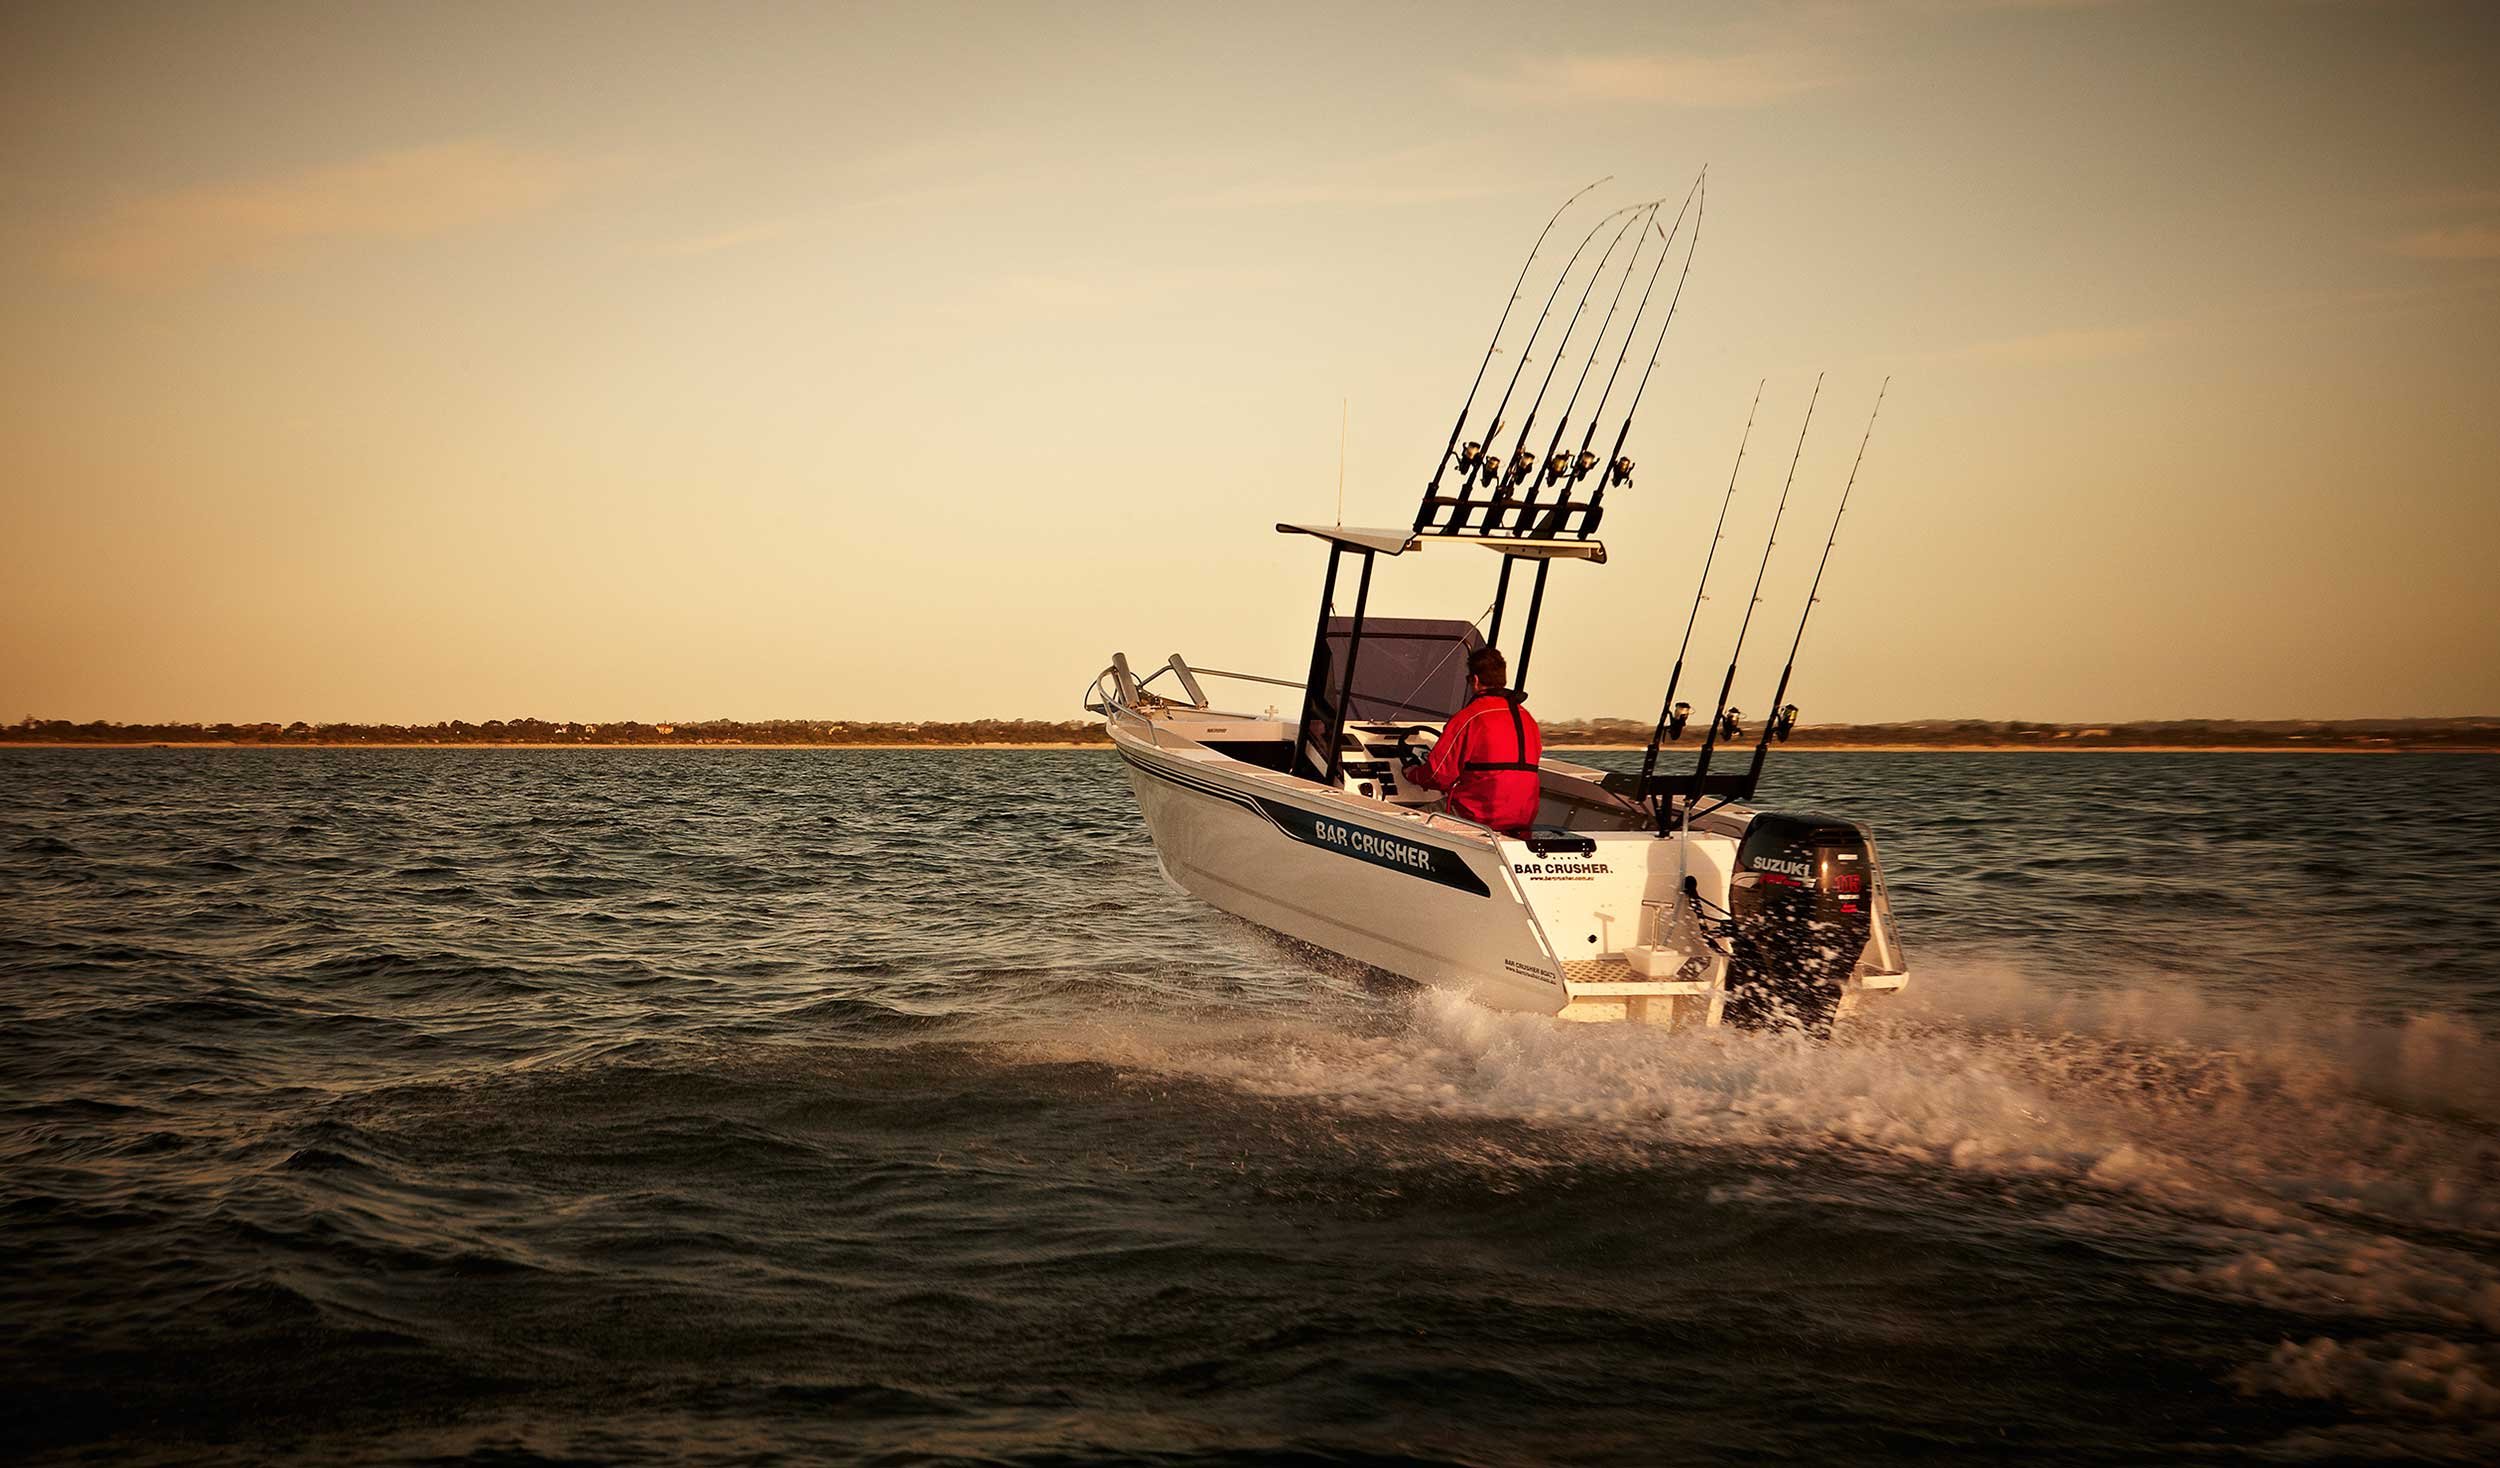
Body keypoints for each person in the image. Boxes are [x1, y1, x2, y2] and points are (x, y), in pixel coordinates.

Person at [1402, 646, 1541, 834]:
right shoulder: (1527, 718)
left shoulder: (1469, 717)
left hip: (1477, 815)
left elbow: (1437, 775)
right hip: (1522, 817)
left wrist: (1412, 774)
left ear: (1475, 680)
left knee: (1402, 821)